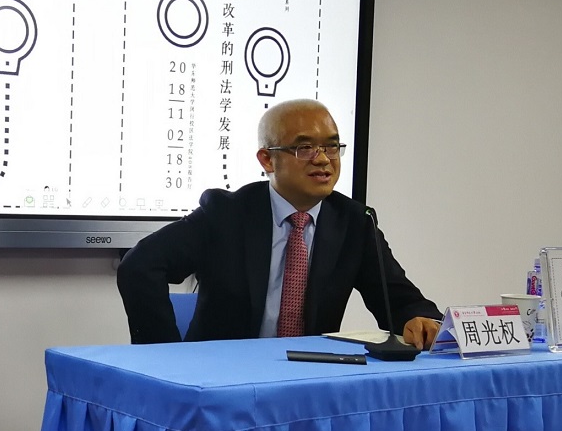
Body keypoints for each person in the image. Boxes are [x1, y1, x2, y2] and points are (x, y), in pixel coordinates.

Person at [117, 99, 442, 349]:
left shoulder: (355, 223)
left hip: (306, 380)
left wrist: (420, 320)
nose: (323, 159)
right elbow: (140, 266)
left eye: (331, 146)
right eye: (305, 148)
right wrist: (165, 355)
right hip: (223, 380)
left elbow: (400, 300)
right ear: (267, 159)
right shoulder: (226, 214)